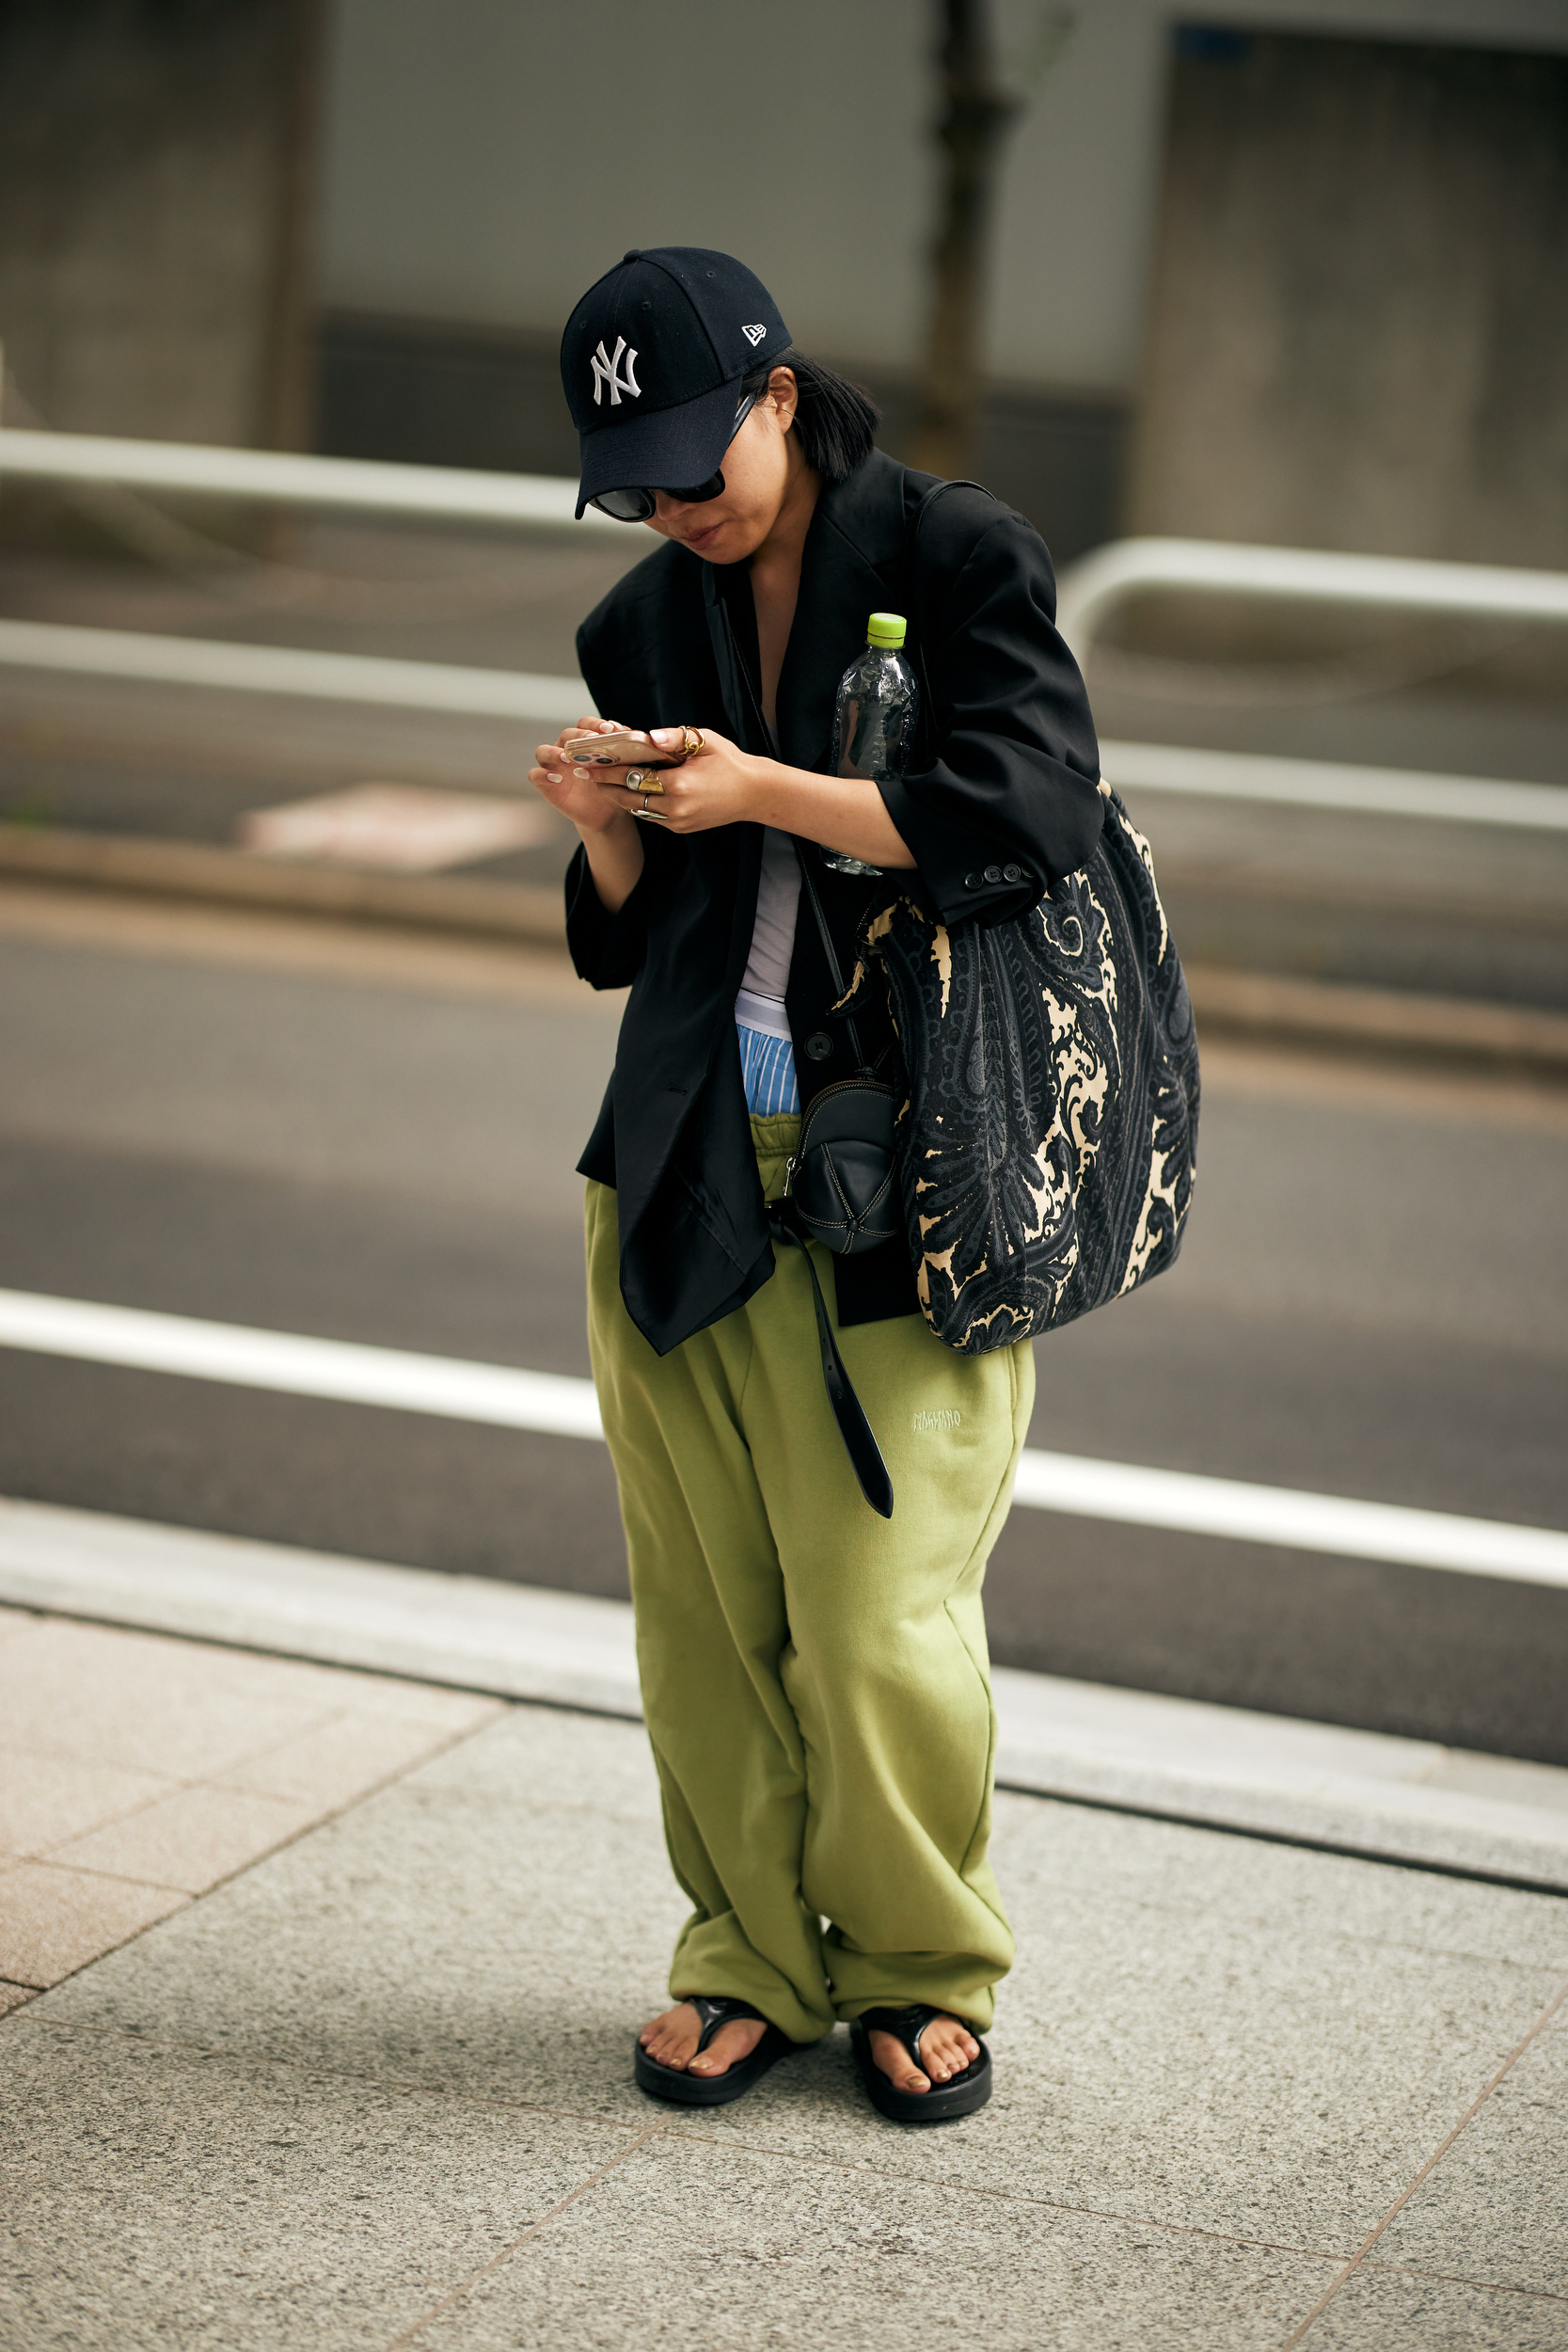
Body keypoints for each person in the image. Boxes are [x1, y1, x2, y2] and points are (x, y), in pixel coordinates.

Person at [530, 247, 1102, 2125]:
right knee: (702, 1617)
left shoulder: (955, 555)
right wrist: (615, 836)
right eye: (641, 477)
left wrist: (763, 788)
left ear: (779, 398)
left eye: (700, 459)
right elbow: (627, 952)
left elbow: (1030, 810)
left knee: (877, 1620)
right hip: (686, 1163)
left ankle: (921, 1961)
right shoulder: (645, 614)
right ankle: (749, 1952)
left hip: (901, 1191)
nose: (680, 505)